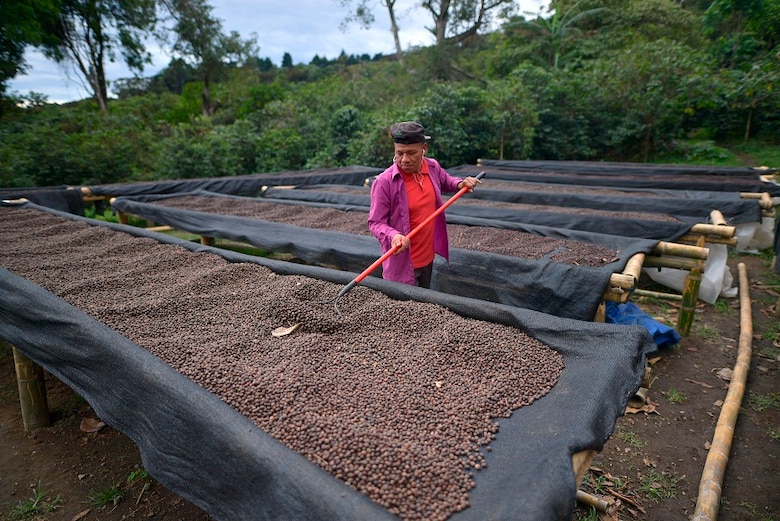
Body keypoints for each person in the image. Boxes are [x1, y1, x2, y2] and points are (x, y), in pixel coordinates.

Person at [367, 121, 481, 288]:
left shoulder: (432, 167)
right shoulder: (385, 182)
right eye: (399, 153)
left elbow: (446, 180)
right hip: (402, 264)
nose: (404, 159)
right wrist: (393, 236)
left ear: (424, 149)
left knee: (424, 303)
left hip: (427, 258)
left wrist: (460, 184)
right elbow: (375, 223)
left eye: (411, 153)